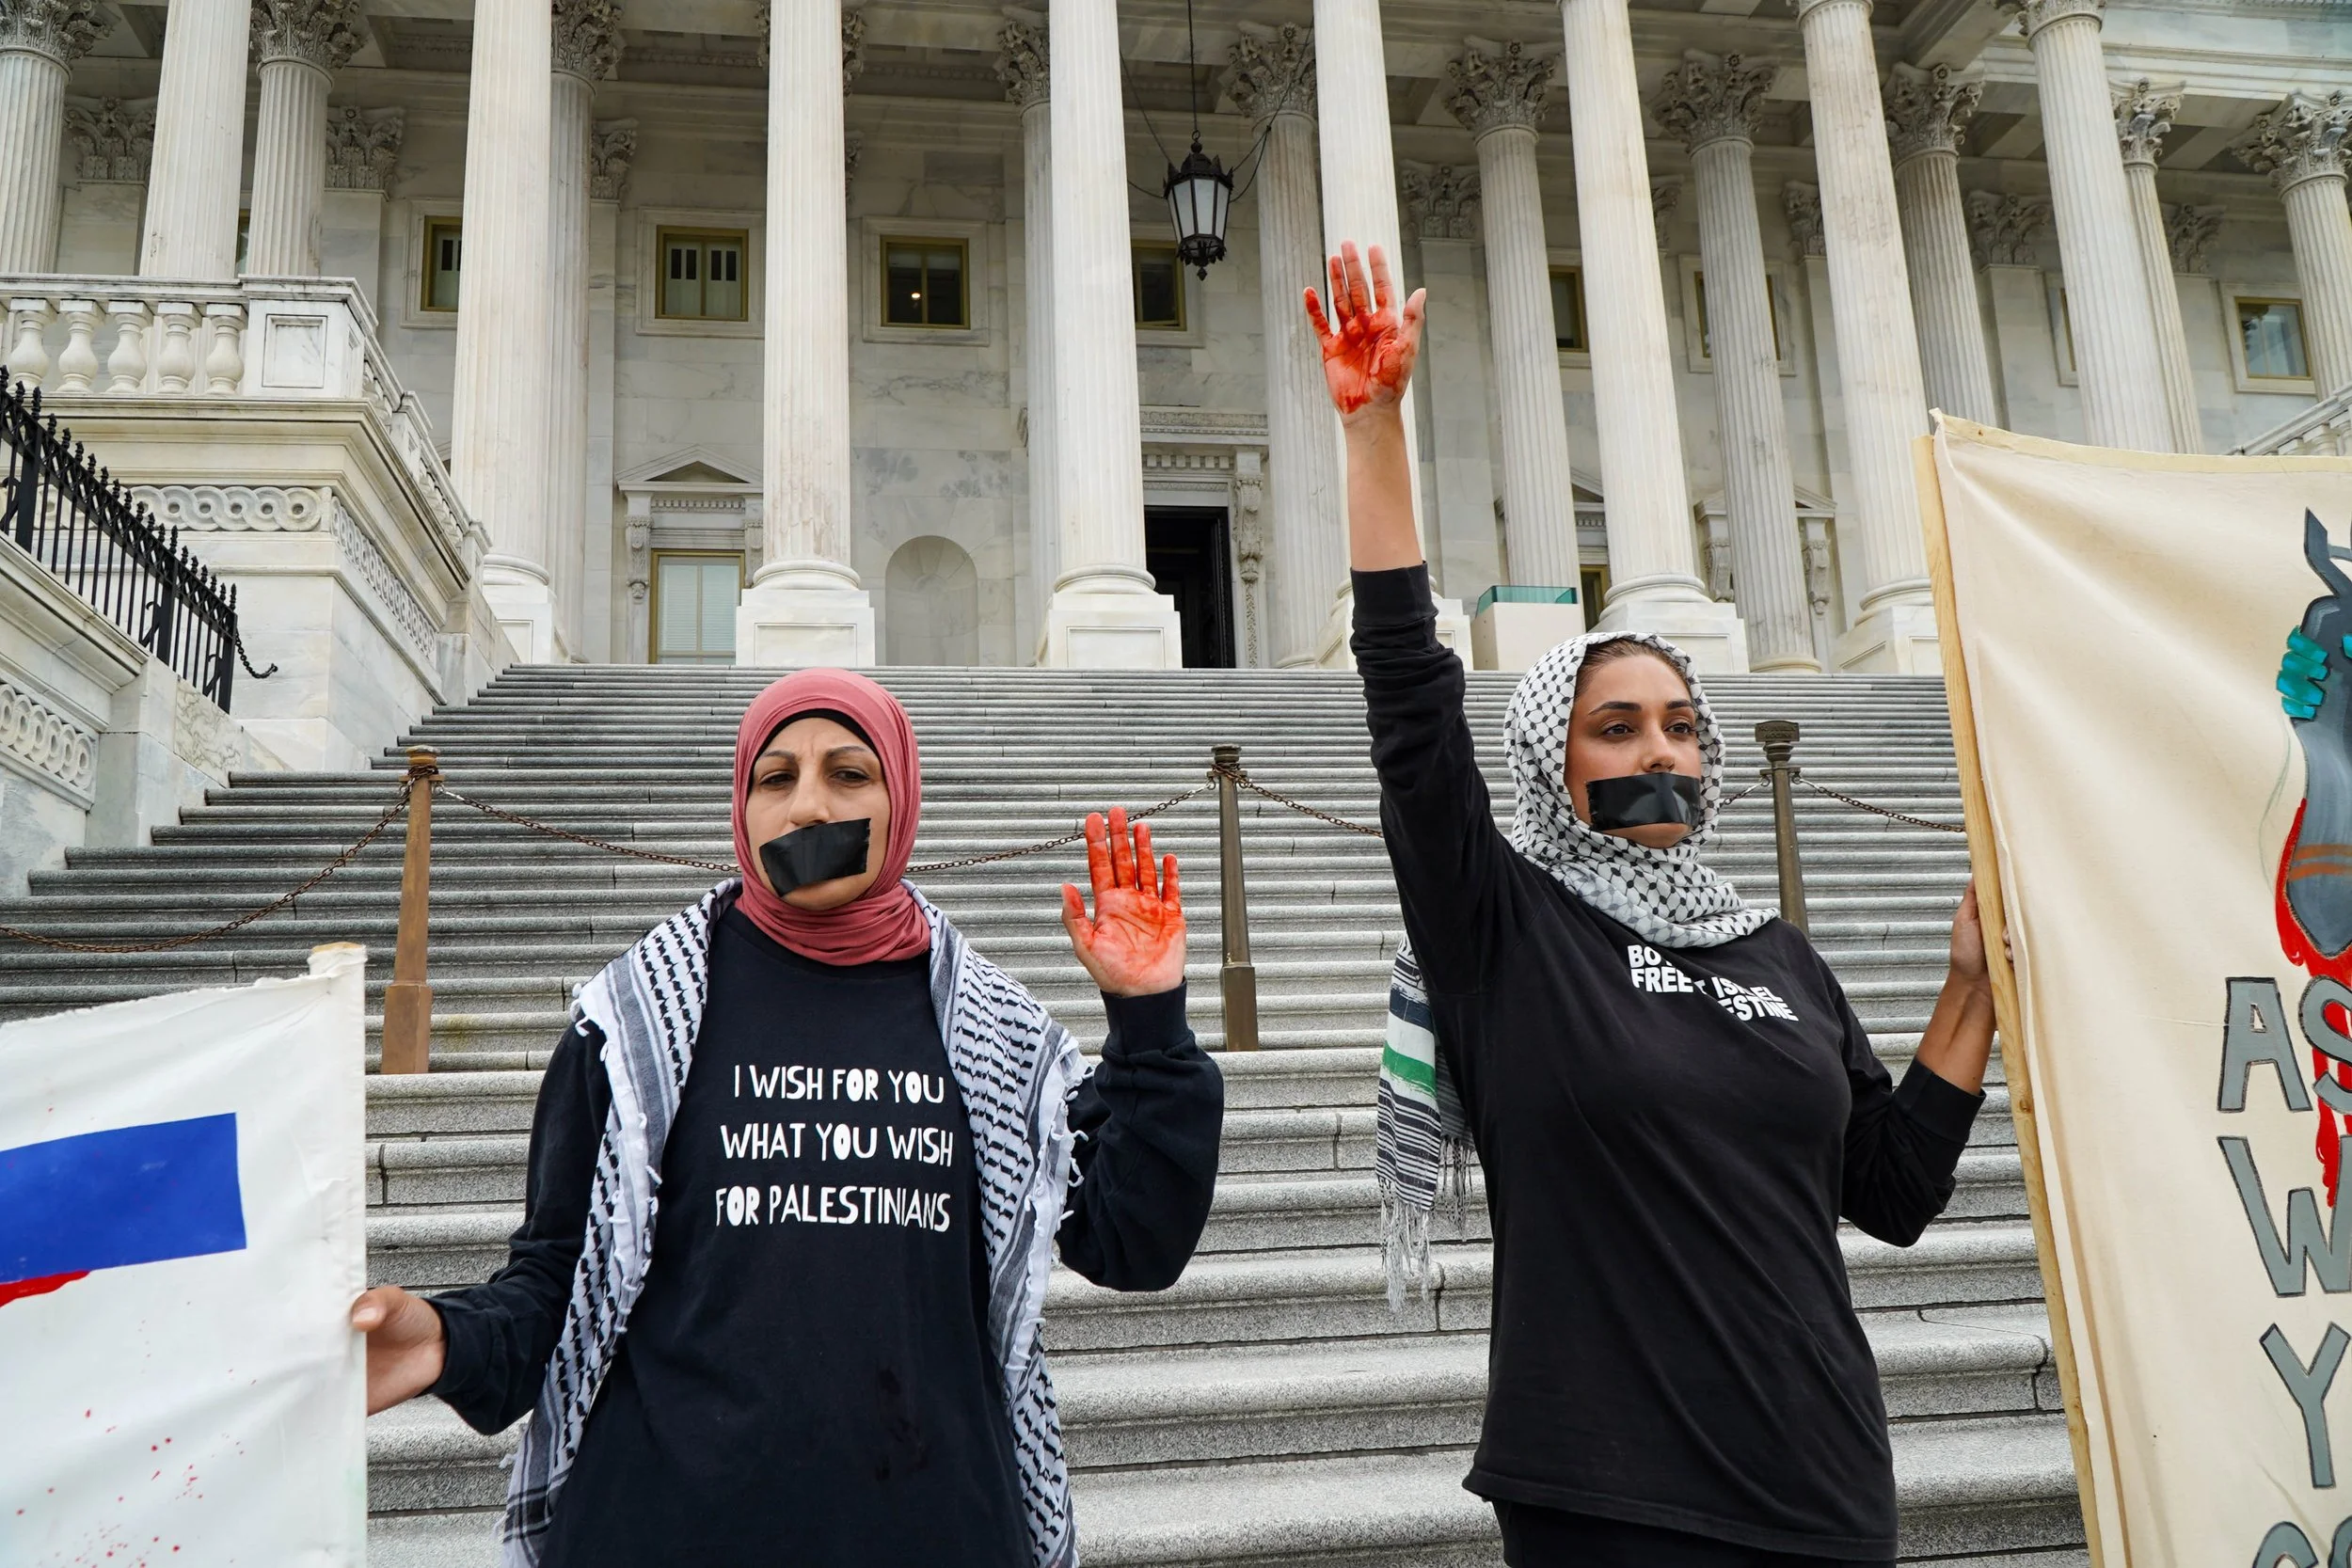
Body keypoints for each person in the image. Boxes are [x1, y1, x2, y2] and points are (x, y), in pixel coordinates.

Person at [1306, 242, 1995, 1567]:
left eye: (1682, 725)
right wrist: (1377, 429)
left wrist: (1969, 987)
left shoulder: (1778, 953)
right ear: (1549, 760)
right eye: (1614, 728)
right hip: (1608, 1490)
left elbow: (1895, 1191)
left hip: (1825, 1472)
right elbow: (1409, 709)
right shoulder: (1502, 927)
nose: (1660, 752)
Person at [350, 668, 1223, 1568]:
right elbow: (554, 1290)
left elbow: (1134, 1241)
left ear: (901, 796)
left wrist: (1149, 1017)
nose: (809, 807)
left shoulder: (995, 1030)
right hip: (661, 1533)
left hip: (937, 1531)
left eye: (850, 774)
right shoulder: (633, 1020)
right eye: (777, 777)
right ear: (743, 803)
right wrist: (449, 1336)